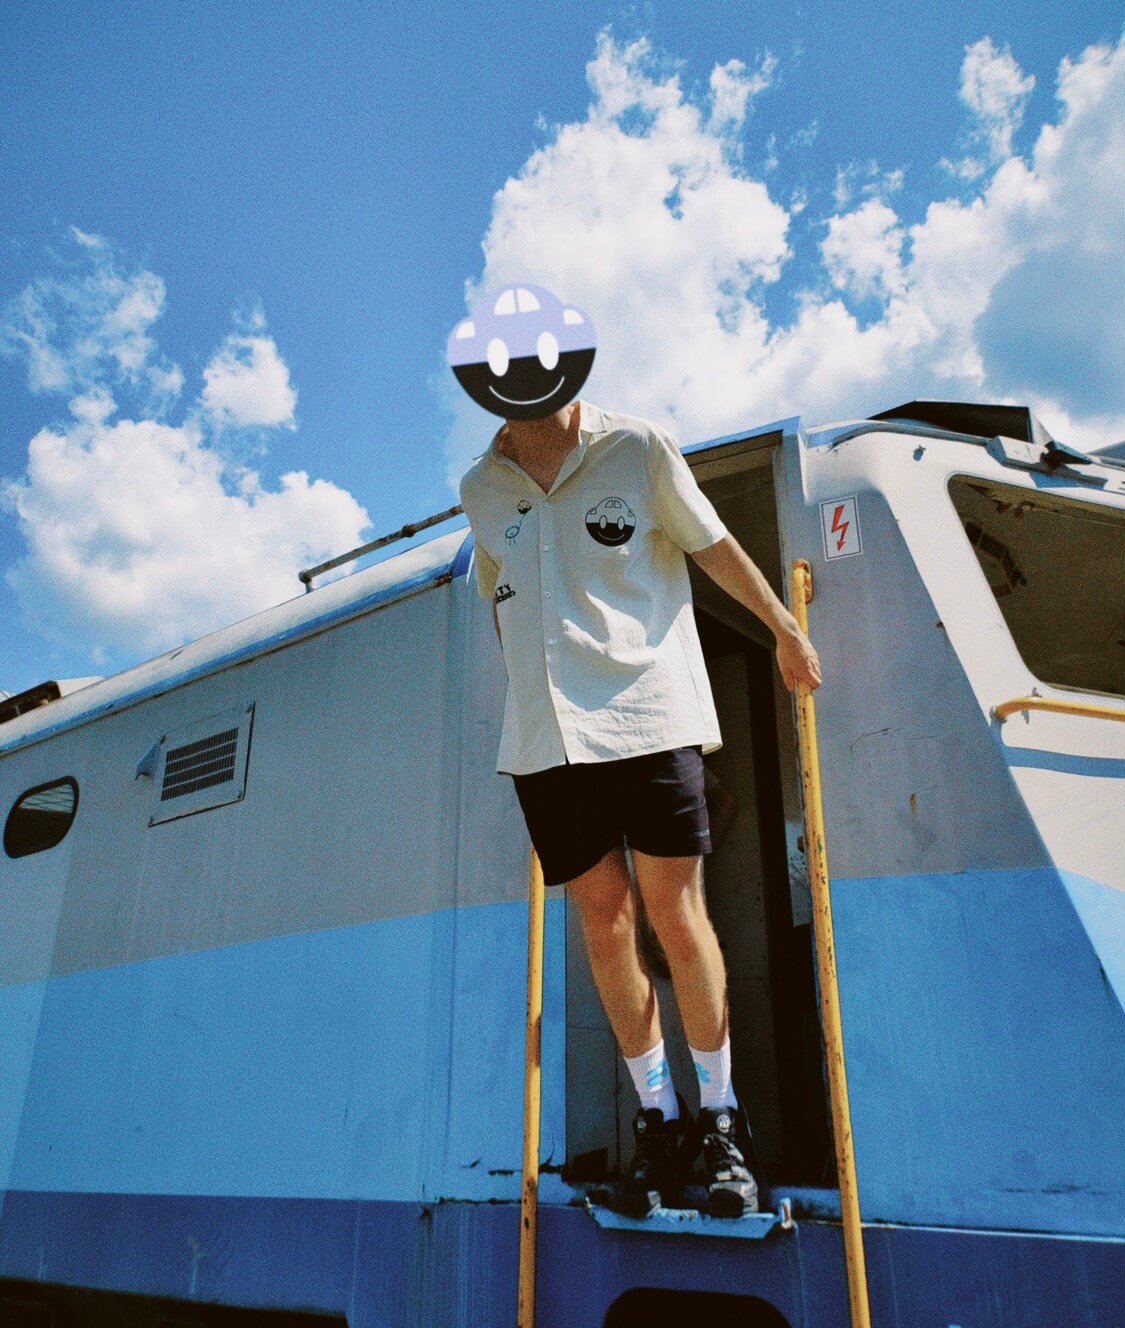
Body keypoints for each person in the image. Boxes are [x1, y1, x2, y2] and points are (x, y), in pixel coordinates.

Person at [458, 396, 821, 1219]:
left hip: (648, 717)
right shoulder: (481, 486)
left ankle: (723, 1121)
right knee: (604, 923)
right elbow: (500, 595)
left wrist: (781, 629)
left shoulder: (637, 445)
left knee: (675, 914)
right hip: (547, 741)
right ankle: (659, 1118)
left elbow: (712, 545)